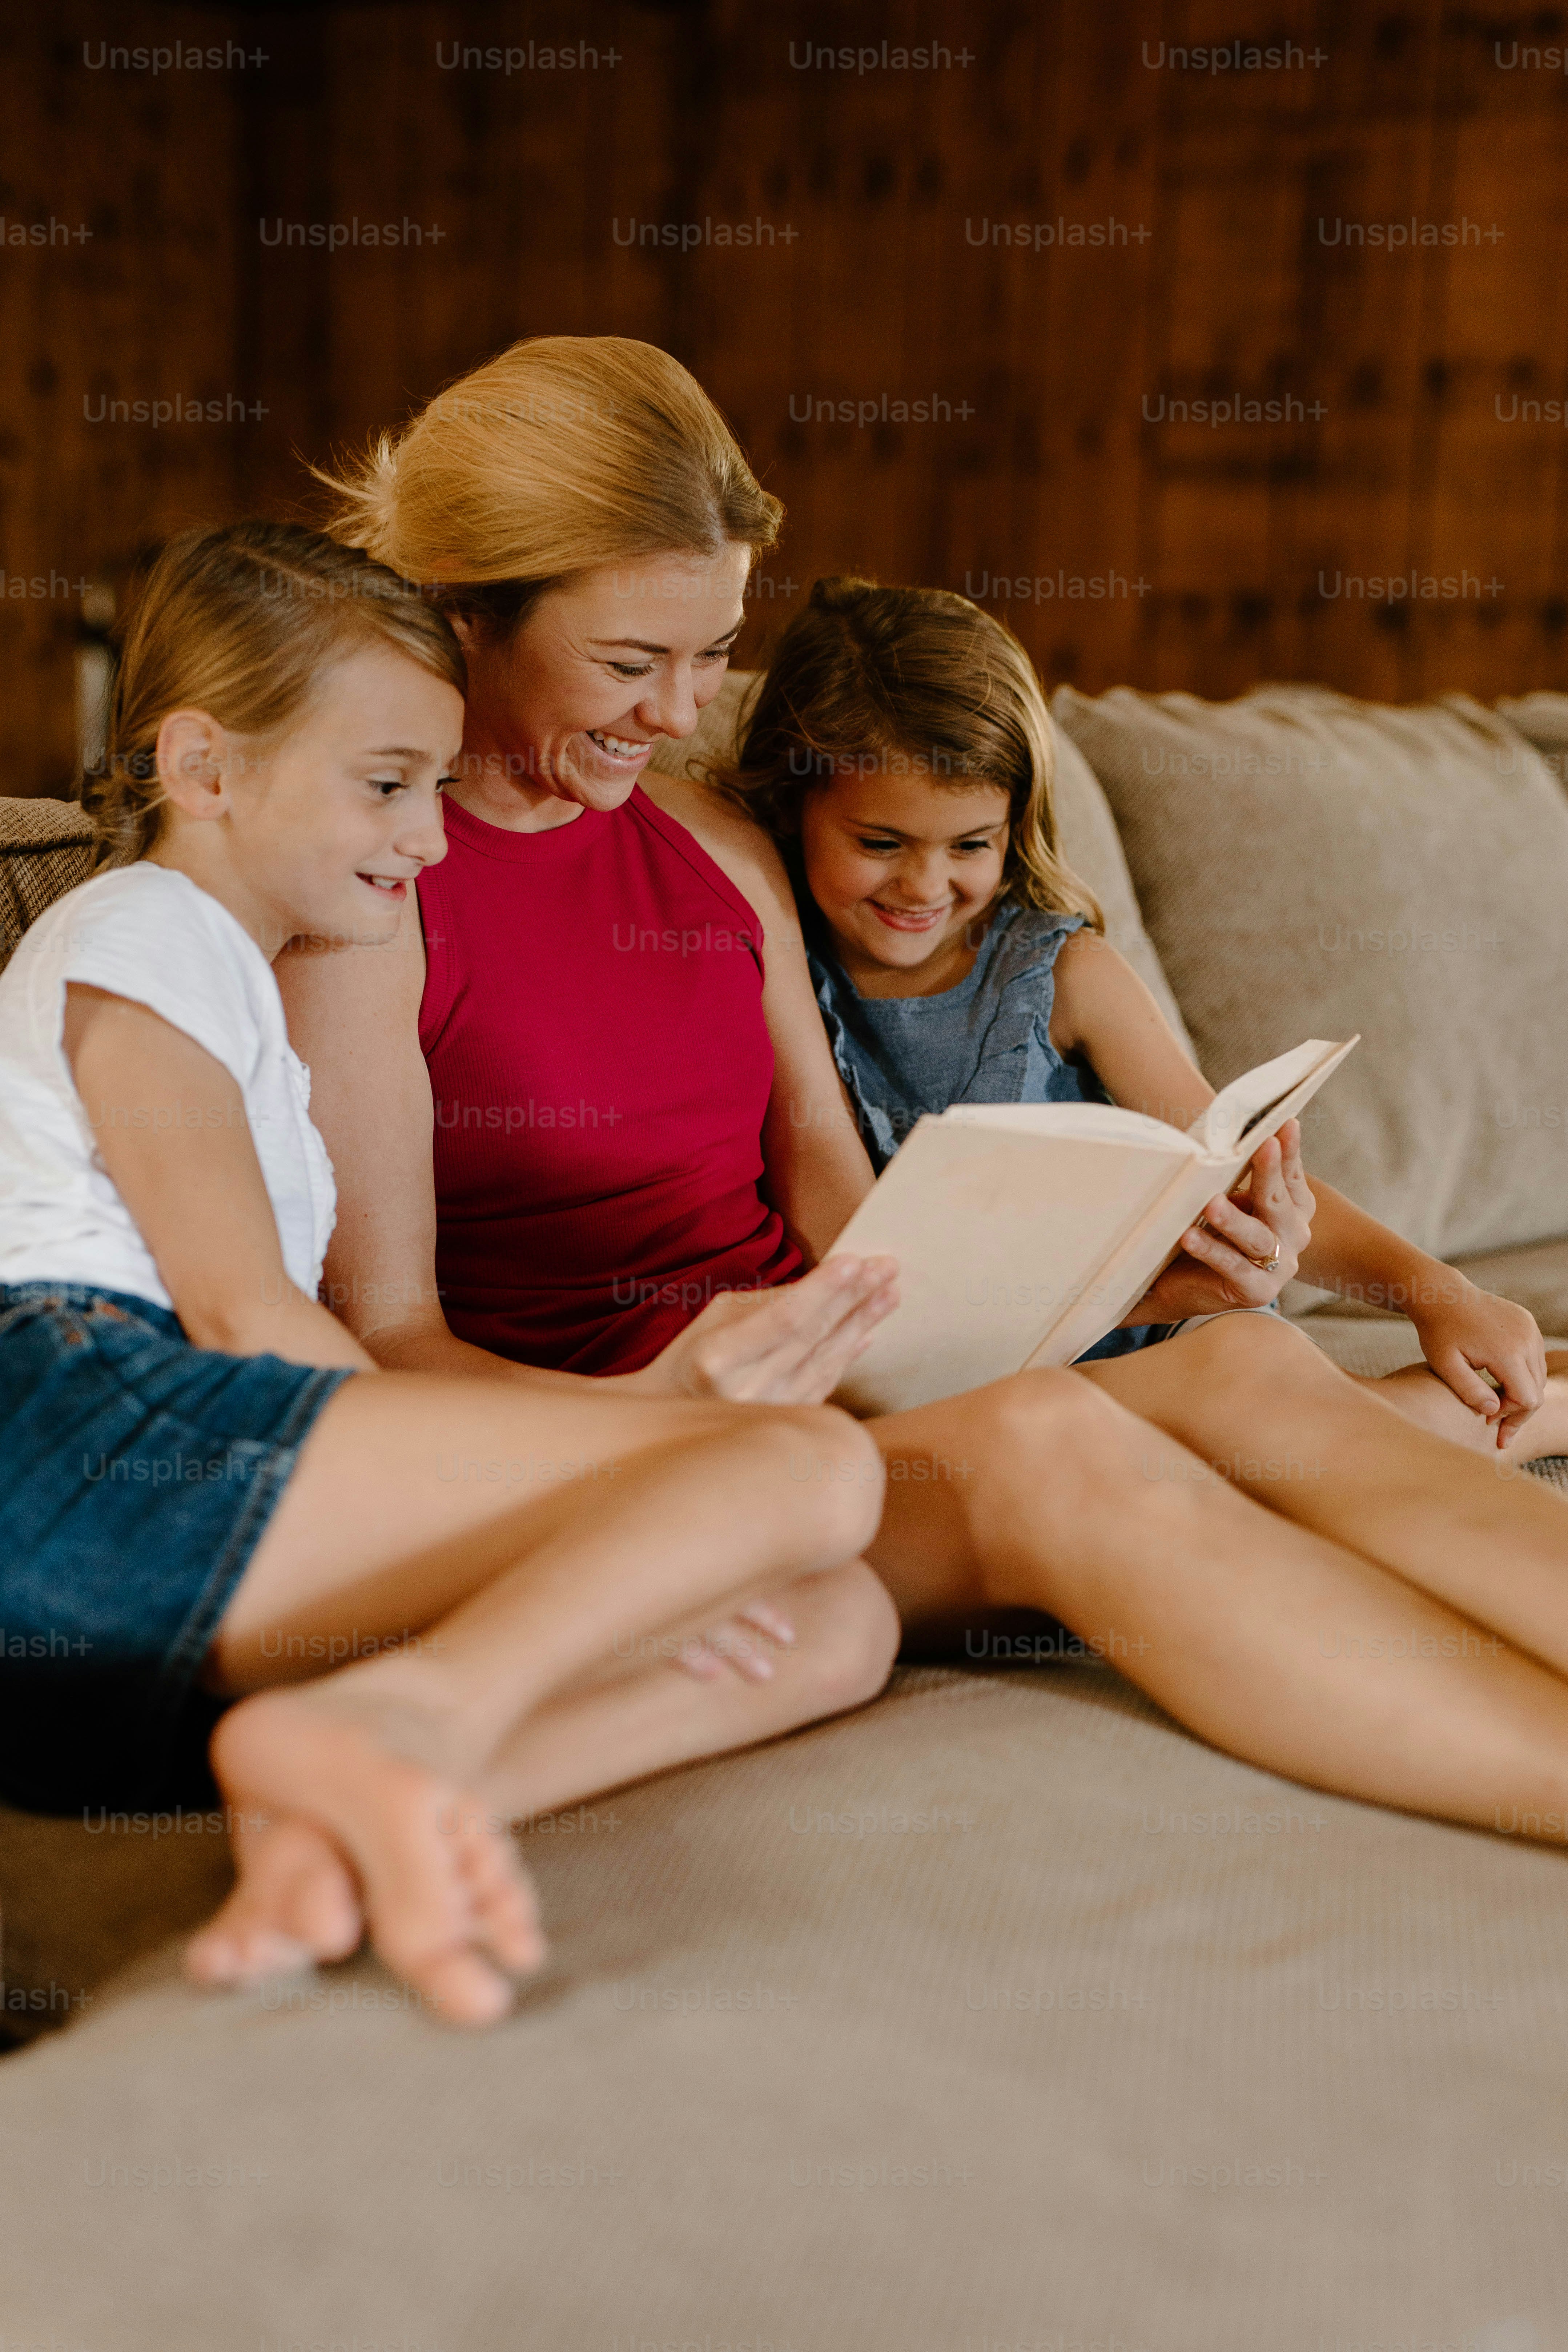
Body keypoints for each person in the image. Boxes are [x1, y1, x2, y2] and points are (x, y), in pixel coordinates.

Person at [283, 331, 1568, 1866]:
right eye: (632, 664)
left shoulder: (718, 849)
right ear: (458, 602)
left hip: (843, 1395)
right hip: (646, 1466)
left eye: (709, 656)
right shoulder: (366, 892)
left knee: (1244, 1369)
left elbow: (840, 1203)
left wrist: (1105, 1272)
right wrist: (673, 1407)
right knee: (1042, 1446)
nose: (681, 707)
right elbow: (386, 1344)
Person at [0, 519, 904, 2027]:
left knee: (835, 1619)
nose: (428, 840)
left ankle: (342, 1814)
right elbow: (239, 1315)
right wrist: (645, 1459)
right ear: (202, 766)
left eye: (434, 784)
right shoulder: (141, 932)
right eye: (384, 784)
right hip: (81, 1447)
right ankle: (411, 1715)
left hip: (169, 1575)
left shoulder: (248, 994)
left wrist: (654, 1441)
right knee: (807, 1471)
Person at [716, 573, 1568, 1439]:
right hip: (966, 1371)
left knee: (1260, 1438)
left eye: (971, 844)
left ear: (1015, 826)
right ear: (794, 803)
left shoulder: (1063, 975)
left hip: (1164, 1332)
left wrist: (1440, 1292)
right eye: (881, 842)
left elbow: (1234, 1161)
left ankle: (1535, 1410)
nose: (926, 884)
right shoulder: (780, 971)